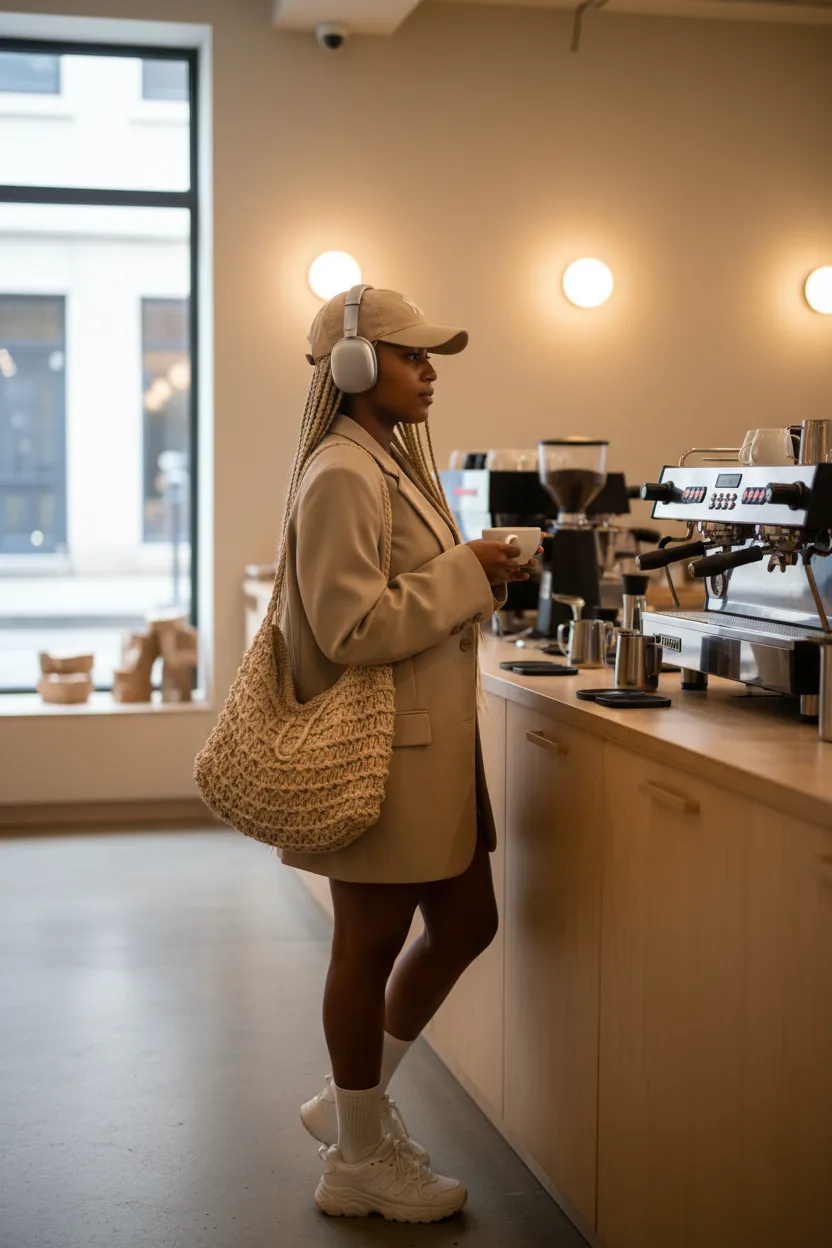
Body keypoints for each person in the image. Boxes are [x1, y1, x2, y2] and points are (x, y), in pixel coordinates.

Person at [277, 286, 537, 1223]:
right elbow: (351, 626)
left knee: (467, 921)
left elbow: (408, 591)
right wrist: (463, 571)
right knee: (368, 945)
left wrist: (477, 569)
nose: (430, 372)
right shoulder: (343, 471)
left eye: (431, 358)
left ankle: (347, 1105)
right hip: (384, 753)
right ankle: (355, 1159)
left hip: (428, 748)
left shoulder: (382, 462)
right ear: (351, 367)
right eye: (411, 356)